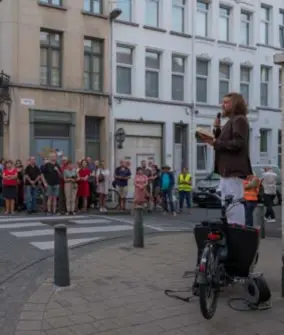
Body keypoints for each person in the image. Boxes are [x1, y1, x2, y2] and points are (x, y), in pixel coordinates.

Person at [199, 92, 252, 225]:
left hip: (233, 170)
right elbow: (225, 140)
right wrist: (216, 129)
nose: (223, 105)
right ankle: (232, 231)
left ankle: (237, 231)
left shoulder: (239, 120)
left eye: (227, 102)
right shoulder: (232, 120)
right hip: (227, 170)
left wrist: (215, 143)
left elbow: (238, 143)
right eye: (223, 102)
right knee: (228, 205)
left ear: (235, 104)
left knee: (234, 205)